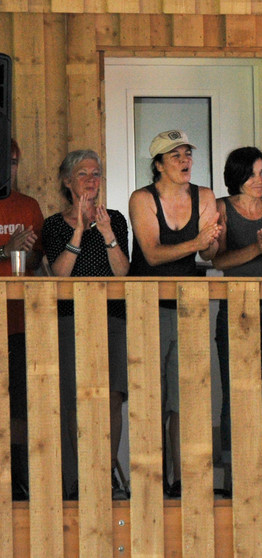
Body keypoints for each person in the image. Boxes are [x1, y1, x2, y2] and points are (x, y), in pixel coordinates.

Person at [129, 130, 221, 496]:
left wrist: (210, 243)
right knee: (151, 399)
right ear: (158, 165)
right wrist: (197, 242)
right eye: (175, 156)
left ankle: (182, 480)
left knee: (185, 399)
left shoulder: (205, 196)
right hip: (146, 306)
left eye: (187, 153)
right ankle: (152, 480)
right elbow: (152, 254)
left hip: (188, 306)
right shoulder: (142, 198)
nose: (185, 161)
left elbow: (210, 255)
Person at [42, 150, 130, 499]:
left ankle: (105, 475)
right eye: (83, 174)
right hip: (70, 318)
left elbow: (122, 272)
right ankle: (79, 479)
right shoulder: (53, 225)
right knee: (74, 399)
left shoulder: (116, 219)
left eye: (96, 174)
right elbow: (59, 275)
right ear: (67, 181)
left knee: (112, 398)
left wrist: (106, 232)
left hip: (111, 316)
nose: (92, 180)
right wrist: (78, 231)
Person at [212, 147, 262, 497]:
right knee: (236, 395)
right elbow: (219, 260)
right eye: (251, 173)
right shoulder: (221, 207)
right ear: (236, 176)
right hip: (236, 311)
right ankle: (234, 477)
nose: (259, 180)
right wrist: (256, 250)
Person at [2, 138, 44, 499]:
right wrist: (6, 249)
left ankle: (17, 477)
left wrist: (27, 254)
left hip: (18, 322)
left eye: (14, 162)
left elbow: (38, 261)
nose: (9, 168)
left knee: (18, 405)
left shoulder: (28, 206)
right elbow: (10, 251)